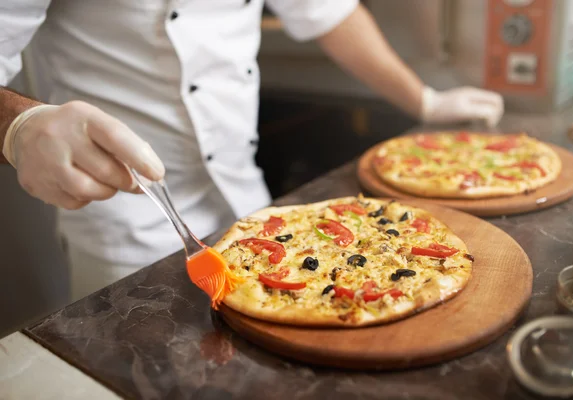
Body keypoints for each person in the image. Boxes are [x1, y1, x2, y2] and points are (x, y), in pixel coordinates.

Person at [0, 1, 504, 301]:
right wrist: (18, 125)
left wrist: (423, 99)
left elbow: (327, 11)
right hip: (122, 215)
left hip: (247, 198)